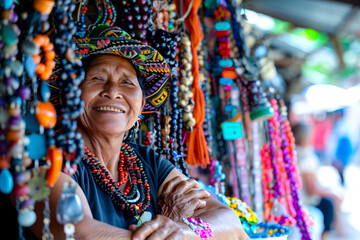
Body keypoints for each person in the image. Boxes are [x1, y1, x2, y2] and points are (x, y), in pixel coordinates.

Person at [27, 25, 249, 240]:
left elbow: (230, 223)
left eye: (127, 82)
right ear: (70, 94)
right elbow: (78, 234)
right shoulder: (48, 157)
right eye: (97, 78)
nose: (113, 91)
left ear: (142, 103)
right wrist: (168, 222)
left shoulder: (144, 161)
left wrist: (183, 231)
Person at [292, 121, 344, 240]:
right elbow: (312, 190)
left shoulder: (294, 154)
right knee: (328, 205)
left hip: (299, 202)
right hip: (304, 203)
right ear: (305, 139)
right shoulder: (305, 157)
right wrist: (333, 193)